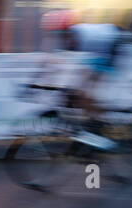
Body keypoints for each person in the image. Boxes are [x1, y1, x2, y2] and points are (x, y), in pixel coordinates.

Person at [39, 9, 127, 150]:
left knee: (84, 92)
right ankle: (92, 120)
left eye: (57, 32)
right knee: (79, 89)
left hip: (111, 50)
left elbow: (65, 64)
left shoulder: (75, 36)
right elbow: (56, 62)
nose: (55, 36)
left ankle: (98, 125)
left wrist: (50, 81)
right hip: (101, 52)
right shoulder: (72, 34)